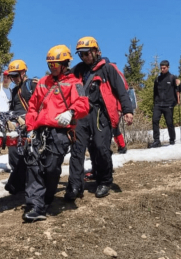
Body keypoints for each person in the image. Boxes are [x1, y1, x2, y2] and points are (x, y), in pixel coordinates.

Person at [23, 45, 89, 222]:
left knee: (51, 168)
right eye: (50, 64)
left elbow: (83, 104)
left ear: (65, 63)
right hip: (39, 130)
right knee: (34, 166)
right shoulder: (43, 82)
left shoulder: (75, 83)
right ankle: (35, 204)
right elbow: (32, 107)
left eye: (55, 64)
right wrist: (30, 129)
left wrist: (71, 112)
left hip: (60, 132)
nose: (52, 67)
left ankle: (46, 198)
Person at [66, 36, 133, 200]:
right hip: (82, 112)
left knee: (100, 147)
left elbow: (120, 91)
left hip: (100, 113)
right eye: (80, 55)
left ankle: (105, 180)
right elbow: (64, 79)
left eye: (86, 53)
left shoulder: (108, 69)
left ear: (96, 51)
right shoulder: (78, 70)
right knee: (77, 148)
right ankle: (75, 185)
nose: (84, 57)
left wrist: (127, 110)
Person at [4, 59, 37, 195]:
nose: (13, 79)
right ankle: (19, 183)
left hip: (32, 126)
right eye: (11, 76)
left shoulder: (33, 84)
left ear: (24, 72)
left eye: (16, 75)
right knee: (14, 153)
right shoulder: (14, 90)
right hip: (17, 127)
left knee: (29, 154)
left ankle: (25, 184)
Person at [149, 60, 181, 148]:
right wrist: (155, 102)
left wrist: (179, 84)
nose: (162, 69)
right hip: (158, 104)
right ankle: (156, 140)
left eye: (164, 68)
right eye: (161, 68)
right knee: (155, 120)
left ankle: (172, 139)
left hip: (168, 104)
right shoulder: (157, 79)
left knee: (169, 122)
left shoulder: (172, 77)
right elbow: (154, 92)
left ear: (168, 67)